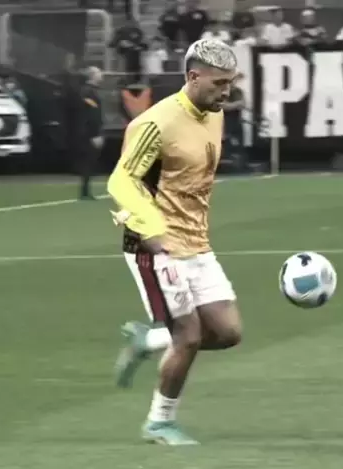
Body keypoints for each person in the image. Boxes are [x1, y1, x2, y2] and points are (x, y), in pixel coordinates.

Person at [107, 38, 242, 446]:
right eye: (219, 83)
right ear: (193, 77)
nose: (227, 91)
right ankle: (159, 422)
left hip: (196, 242)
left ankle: (147, 340)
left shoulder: (214, 113)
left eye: (230, 82)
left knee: (228, 332)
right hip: (155, 245)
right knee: (189, 336)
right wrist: (151, 230)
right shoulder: (155, 123)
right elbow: (121, 180)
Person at [79, 66, 104, 200]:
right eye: (98, 73)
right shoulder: (88, 91)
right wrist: (95, 134)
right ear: (92, 76)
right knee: (88, 160)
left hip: (91, 130)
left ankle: (86, 190)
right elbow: (92, 113)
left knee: (90, 161)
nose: (101, 75)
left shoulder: (92, 91)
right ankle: (84, 191)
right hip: (89, 131)